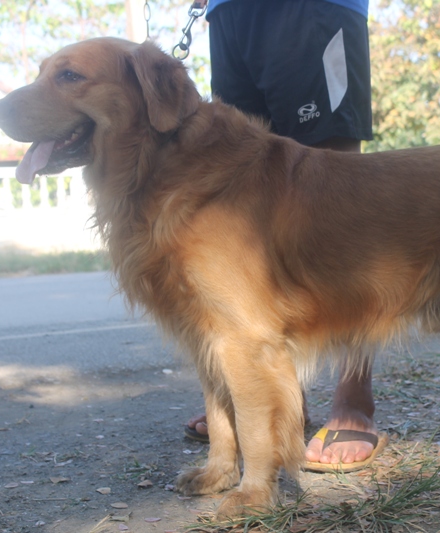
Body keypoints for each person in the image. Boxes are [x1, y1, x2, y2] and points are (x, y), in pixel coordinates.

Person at [184, 0, 384, 471]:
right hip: (228, 12)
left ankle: (354, 393)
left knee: (335, 197)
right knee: (245, 204)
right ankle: (277, 396)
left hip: (312, 10)